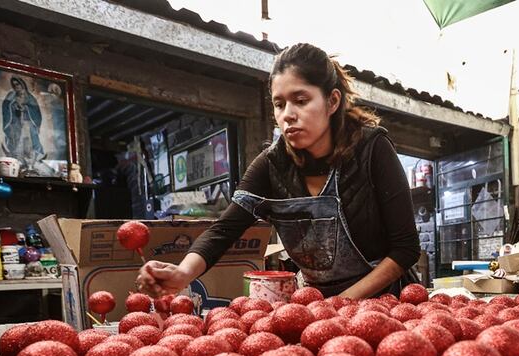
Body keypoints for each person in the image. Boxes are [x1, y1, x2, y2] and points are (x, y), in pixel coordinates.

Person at [136, 43, 421, 299]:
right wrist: (182, 273)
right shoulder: (271, 165)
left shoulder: (372, 150)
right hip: (316, 306)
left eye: (301, 100)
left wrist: (343, 303)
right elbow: (224, 230)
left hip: (388, 303)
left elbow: (405, 248)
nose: (288, 114)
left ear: (332, 101)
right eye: (279, 104)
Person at [2, 76, 45, 168]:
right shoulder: (11, 95)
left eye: (17, 84)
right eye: (14, 85)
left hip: (27, 124)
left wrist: (25, 108)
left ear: (22, 84)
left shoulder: (30, 98)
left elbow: (36, 112)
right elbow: (6, 107)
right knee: (17, 142)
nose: (16, 86)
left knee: (29, 142)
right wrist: (13, 107)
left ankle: (31, 163)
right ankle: (18, 162)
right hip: (16, 124)